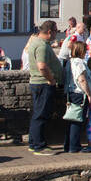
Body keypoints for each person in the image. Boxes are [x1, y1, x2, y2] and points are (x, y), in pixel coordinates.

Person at [26, 20, 59, 155]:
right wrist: (51, 79)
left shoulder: (36, 43)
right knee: (41, 115)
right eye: (56, 31)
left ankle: (34, 143)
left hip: (38, 83)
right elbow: (42, 66)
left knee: (38, 114)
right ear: (50, 32)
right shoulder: (42, 46)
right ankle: (38, 145)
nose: (57, 34)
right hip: (43, 83)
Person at [63, 41, 91, 154]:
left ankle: (68, 145)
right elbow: (82, 79)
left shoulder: (69, 62)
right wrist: (89, 94)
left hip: (70, 92)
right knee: (77, 120)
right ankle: (74, 146)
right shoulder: (79, 62)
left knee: (71, 120)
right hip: (79, 93)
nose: (86, 52)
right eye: (85, 50)